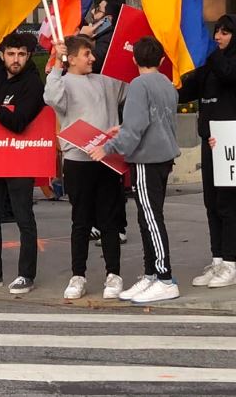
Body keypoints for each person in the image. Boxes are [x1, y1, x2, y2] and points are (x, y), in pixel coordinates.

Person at [88, 36, 181, 304]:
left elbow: (136, 127)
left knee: (150, 219)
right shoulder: (166, 84)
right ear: (162, 60)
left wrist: (108, 147)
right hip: (163, 157)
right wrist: (126, 128)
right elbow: (154, 121)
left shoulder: (139, 85)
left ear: (134, 59)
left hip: (146, 160)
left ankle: (164, 277)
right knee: (149, 218)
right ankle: (152, 274)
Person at [45, 35, 127, 300]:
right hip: (78, 160)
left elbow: (129, 83)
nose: (92, 58)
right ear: (71, 58)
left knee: (110, 220)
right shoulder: (63, 83)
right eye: (85, 54)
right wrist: (57, 64)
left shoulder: (105, 81)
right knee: (80, 220)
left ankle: (113, 274)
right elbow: (51, 97)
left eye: (91, 53)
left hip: (107, 159)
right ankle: (78, 275)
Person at [0, 32, 46, 294]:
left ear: (28, 56)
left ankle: (26, 274)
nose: (16, 59)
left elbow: (19, 122)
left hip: (21, 158)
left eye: (21, 54)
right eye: (11, 54)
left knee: (23, 216)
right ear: (2, 55)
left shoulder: (33, 84)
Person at [178, 14, 236, 289]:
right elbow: (187, 90)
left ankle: (231, 263)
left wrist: (210, 52)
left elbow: (227, 73)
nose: (217, 37)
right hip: (209, 141)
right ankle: (218, 259)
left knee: (227, 204)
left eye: (224, 33)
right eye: (216, 32)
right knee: (211, 203)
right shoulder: (211, 63)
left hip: (230, 142)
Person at [80, 0, 121, 72]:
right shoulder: (100, 36)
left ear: (108, 19)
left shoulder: (109, 39)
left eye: (98, 9)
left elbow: (87, 63)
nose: (92, 11)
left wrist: (83, 36)